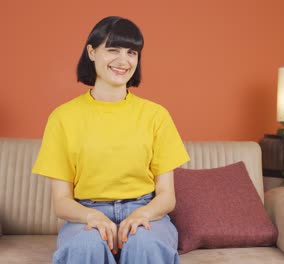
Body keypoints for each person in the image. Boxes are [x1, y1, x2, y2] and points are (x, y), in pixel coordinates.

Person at [32, 16, 190, 264]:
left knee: (145, 245)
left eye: (131, 52)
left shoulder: (156, 116)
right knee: (84, 247)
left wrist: (143, 214)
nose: (123, 60)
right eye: (113, 50)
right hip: (87, 212)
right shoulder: (62, 117)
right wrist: (92, 217)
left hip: (144, 210)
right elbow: (62, 202)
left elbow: (166, 195)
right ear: (92, 52)